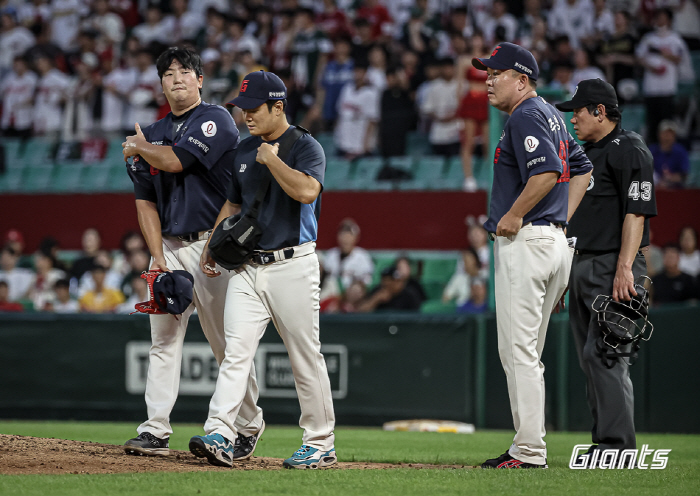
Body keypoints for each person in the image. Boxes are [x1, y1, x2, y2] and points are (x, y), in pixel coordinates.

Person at [121, 46, 264, 459]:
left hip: (212, 244)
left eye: (185, 71)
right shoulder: (152, 131)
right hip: (168, 245)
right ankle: (155, 430)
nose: (177, 78)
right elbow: (145, 201)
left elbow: (177, 161)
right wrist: (158, 257)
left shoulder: (215, 119)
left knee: (224, 344)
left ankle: (248, 425)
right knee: (163, 341)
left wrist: (139, 148)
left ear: (200, 80)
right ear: (161, 83)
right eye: (169, 73)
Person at [192, 70, 337, 470]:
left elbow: (307, 191)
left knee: (304, 357)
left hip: (292, 265)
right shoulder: (243, 149)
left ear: (278, 107)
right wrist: (211, 243)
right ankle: (222, 431)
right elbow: (233, 206)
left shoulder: (305, 147)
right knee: (235, 354)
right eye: (242, 108)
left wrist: (273, 161)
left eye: (254, 109)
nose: (246, 116)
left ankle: (321, 441)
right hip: (247, 268)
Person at [473, 43, 593, 469]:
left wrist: (517, 214)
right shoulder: (553, 116)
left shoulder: (525, 114)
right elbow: (582, 170)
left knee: (518, 353)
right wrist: (559, 221)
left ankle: (529, 451)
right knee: (527, 353)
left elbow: (546, 173)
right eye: (486, 72)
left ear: (521, 80)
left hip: (529, 242)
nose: (487, 79)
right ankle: (527, 445)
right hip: (553, 242)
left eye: (496, 73)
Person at [555, 77, 657, 464]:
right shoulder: (587, 155)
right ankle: (604, 444)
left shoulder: (629, 149)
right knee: (590, 357)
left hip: (613, 265)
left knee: (607, 354)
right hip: (582, 263)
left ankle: (617, 448)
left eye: (578, 112)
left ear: (600, 111)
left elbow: (637, 212)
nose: (573, 120)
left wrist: (625, 268)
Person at [322, 218, 375, 290]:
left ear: (356, 238)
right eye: (343, 235)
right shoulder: (331, 254)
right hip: (332, 292)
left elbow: (368, 282)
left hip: (352, 294)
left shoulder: (362, 256)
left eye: (349, 236)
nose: (345, 239)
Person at [649, 120, 690, 189]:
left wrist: (670, 179)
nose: (667, 137)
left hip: (676, 190)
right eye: (665, 134)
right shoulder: (651, 151)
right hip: (656, 189)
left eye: (670, 134)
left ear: (674, 136)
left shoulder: (680, 151)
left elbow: (684, 175)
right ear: (659, 135)